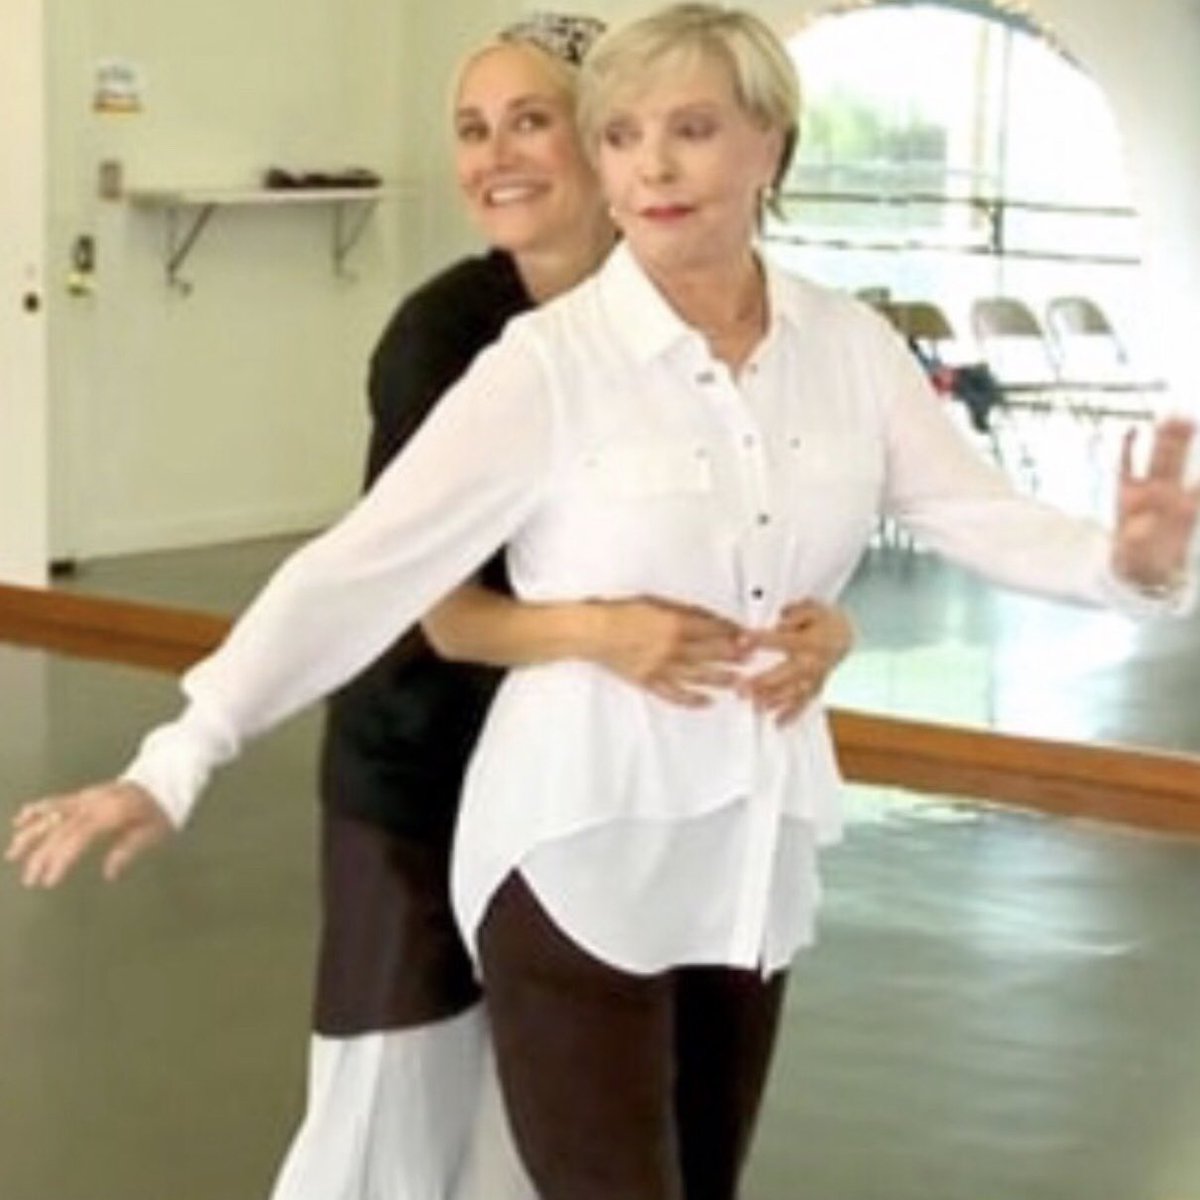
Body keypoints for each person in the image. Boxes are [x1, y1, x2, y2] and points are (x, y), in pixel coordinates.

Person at [8, 4, 1199, 1197]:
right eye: (622, 136)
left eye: (692, 129)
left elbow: (978, 514)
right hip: (574, 850)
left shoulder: (850, 349)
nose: (653, 167)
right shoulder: (544, 365)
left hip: (748, 849)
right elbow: (355, 574)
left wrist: (1125, 563)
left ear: (771, 143)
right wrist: (176, 758)